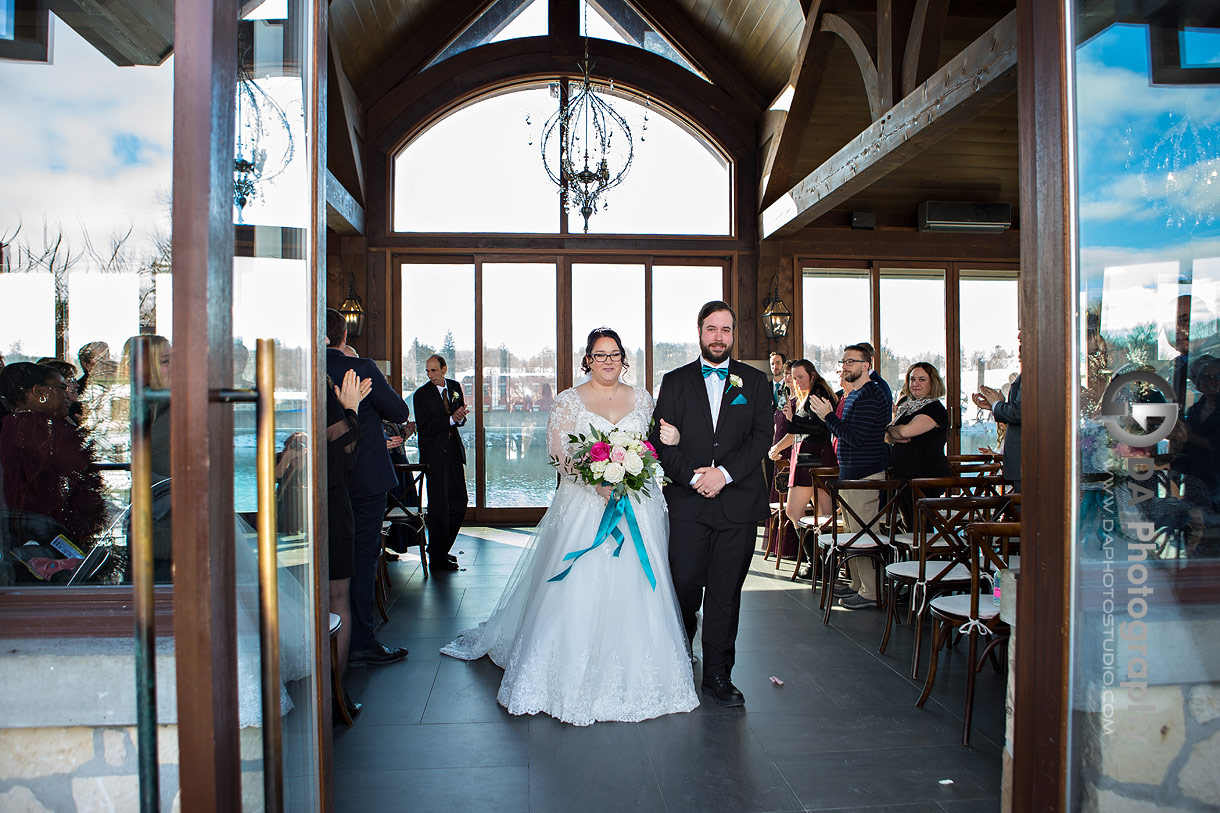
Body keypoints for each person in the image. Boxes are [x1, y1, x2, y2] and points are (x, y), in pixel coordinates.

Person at [441, 327, 698, 725]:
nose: (608, 360)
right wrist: (594, 478)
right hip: (585, 504)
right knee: (578, 582)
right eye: (600, 354)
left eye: (615, 354)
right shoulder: (568, 400)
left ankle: (643, 668)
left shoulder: (643, 399)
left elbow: (653, 446)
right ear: (588, 359)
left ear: (623, 359)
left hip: (637, 504)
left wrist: (671, 439)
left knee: (640, 583)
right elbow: (559, 451)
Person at [649, 301, 772, 707]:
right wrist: (694, 477)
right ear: (699, 332)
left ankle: (718, 674)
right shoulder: (675, 381)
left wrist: (724, 475)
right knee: (683, 583)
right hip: (688, 502)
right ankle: (680, 656)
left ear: (734, 334)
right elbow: (660, 439)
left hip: (737, 503)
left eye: (726, 329)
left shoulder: (754, 382)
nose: (719, 336)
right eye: (711, 329)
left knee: (725, 593)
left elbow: (760, 439)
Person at [325, 308, 410, 666]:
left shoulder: (297, 371)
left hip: (317, 485)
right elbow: (400, 412)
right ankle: (359, 640)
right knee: (360, 561)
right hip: (363, 482)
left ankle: (320, 643)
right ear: (344, 336)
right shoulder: (361, 369)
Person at [809, 342, 892, 609]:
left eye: (851, 362)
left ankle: (871, 592)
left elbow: (855, 438)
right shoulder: (856, 394)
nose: (845, 367)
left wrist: (828, 416)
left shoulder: (871, 395)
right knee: (854, 532)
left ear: (866, 365)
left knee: (865, 534)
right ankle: (858, 584)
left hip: (865, 475)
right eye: (843, 362)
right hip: (851, 474)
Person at [0, 363, 107, 552]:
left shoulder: (7, 426)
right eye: (60, 387)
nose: (66, 394)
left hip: (16, 536)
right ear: (38, 391)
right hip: (50, 536)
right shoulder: (49, 431)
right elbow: (75, 489)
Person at [326, 368, 371, 720]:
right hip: (330, 505)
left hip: (300, 503)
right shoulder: (327, 395)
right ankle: (335, 692)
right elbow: (345, 450)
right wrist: (351, 409)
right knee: (337, 596)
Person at [770, 359, 837, 542]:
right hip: (813, 455)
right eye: (794, 377)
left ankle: (813, 560)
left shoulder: (818, 393)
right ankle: (819, 562)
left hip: (812, 457)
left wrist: (792, 419)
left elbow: (819, 427)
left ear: (813, 375)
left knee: (795, 511)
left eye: (801, 377)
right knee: (825, 515)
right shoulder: (810, 393)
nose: (797, 381)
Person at [412, 354, 468, 572]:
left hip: (453, 453)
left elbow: (458, 420)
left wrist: (460, 417)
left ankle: (440, 550)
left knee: (460, 502)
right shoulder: (421, 395)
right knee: (437, 508)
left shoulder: (454, 386)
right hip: (433, 456)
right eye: (427, 371)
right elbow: (424, 428)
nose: (430, 375)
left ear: (444, 369)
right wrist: (450, 420)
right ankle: (437, 556)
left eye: (434, 370)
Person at [886, 362, 953, 531]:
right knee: (910, 526)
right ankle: (916, 556)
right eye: (912, 379)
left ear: (933, 382)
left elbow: (905, 432)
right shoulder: (907, 406)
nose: (915, 383)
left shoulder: (934, 409)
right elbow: (887, 437)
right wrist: (892, 432)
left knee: (921, 527)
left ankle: (927, 557)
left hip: (926, 477)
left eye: (922, 379)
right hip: (903, 476)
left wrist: (893, 431)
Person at [973, 331, 1022, 492]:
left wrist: (997, 404)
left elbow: (1019, 412)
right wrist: (993, 406)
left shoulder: (1035, 373)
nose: (1019, 336)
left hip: (1025, 462)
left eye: (1024, 333)